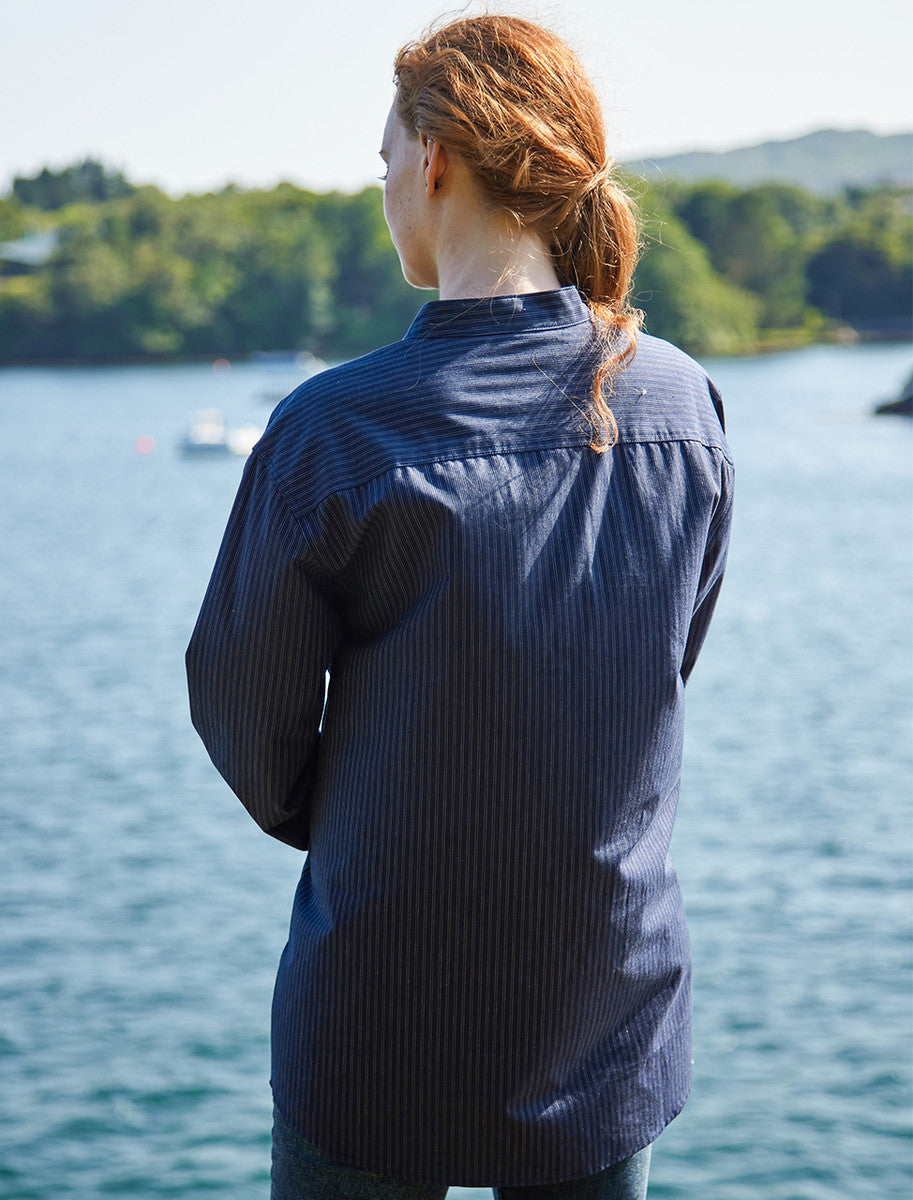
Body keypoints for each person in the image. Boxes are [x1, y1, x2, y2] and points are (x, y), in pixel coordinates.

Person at [186, 14, 733, 1200]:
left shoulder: (335, 430)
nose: (381, 181)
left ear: (432, 156)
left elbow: (245, 721)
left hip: (376, 1017)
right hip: (603, 1025)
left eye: (384, 153)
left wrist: (380, 822)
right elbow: (656, 670)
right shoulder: (684, 405)